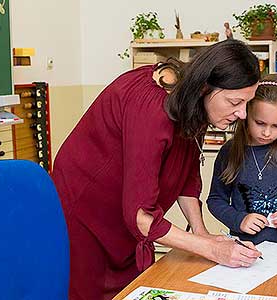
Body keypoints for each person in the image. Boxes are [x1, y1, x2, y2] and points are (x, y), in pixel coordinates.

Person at [52, 39, 263, 300]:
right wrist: (208, 248)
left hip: (125, 215)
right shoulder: (152, 111)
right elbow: (141, 217)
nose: (242, 114)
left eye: (246, 103)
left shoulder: (191, 101)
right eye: (234, 102)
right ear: (206, 87)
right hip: (88, 214)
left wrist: (201, 233)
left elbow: (185, 173)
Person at [207, 74, 277, 248]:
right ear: (246, 112)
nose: (267, 133)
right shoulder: (229, 152)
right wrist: (239, 220)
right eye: (259, 123)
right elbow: (216, 200)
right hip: (247, 250)